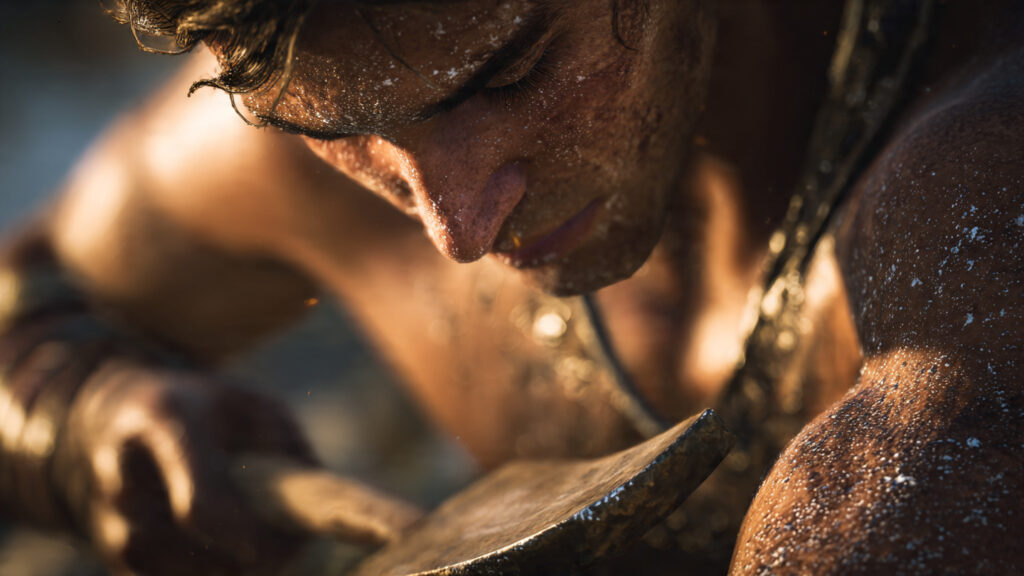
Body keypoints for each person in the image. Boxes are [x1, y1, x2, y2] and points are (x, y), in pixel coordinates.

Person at [0, 0, 1020, 574]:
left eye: (512, 74)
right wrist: (77, 412)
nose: (456, 227)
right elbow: (28, 298)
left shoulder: (983, 189)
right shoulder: (316, 63)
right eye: (335, 131)